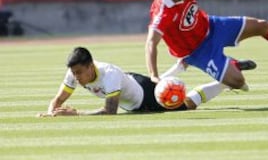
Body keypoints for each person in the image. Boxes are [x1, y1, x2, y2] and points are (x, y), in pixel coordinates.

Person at [38, 47, 226, 117]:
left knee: (187, 104)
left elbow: (110, 112)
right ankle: (180, 66)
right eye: (74, 73)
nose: (76, 77)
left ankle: (225, 82)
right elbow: (58, 99)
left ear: (90, 66)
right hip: (129, 82)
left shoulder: (108, 74)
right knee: (165, 88)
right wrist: (50, 113)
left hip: (143, 98)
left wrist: (77, 114)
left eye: (79, 73)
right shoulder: (74, 72)